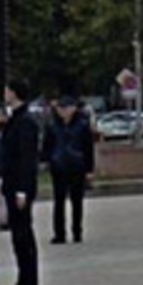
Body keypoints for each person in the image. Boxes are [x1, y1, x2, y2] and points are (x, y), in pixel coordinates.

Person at [0, 81, 42, 285]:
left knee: (23, 236)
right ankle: (22, 281)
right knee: (18, 237)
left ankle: (29, 284)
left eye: (7, 90)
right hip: (13, 185)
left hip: (19, 187)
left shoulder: (25, 122)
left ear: (14, 93)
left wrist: (23, 190)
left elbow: (26, 159)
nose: (4, 94)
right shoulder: (16, 118)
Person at [42, 96, 95, 244]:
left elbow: (88, 148)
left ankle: (77, 231)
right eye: (60, 108)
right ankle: (59, 233)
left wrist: (89, 169)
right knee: (59, 201)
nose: (63, 111)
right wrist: (47, 160)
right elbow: (47, 145)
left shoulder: (82, 125)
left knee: (76, 201)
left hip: (77, 165)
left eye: (66, 108)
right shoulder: (52, 125)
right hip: (58, 165)